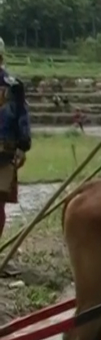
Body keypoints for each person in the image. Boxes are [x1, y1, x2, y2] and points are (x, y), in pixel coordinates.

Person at [0, 36, 31, 242]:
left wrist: (21, 146)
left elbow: (21, 116)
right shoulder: (14, 85)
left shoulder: (14, 86)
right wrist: (22, 145)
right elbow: (22, 118)